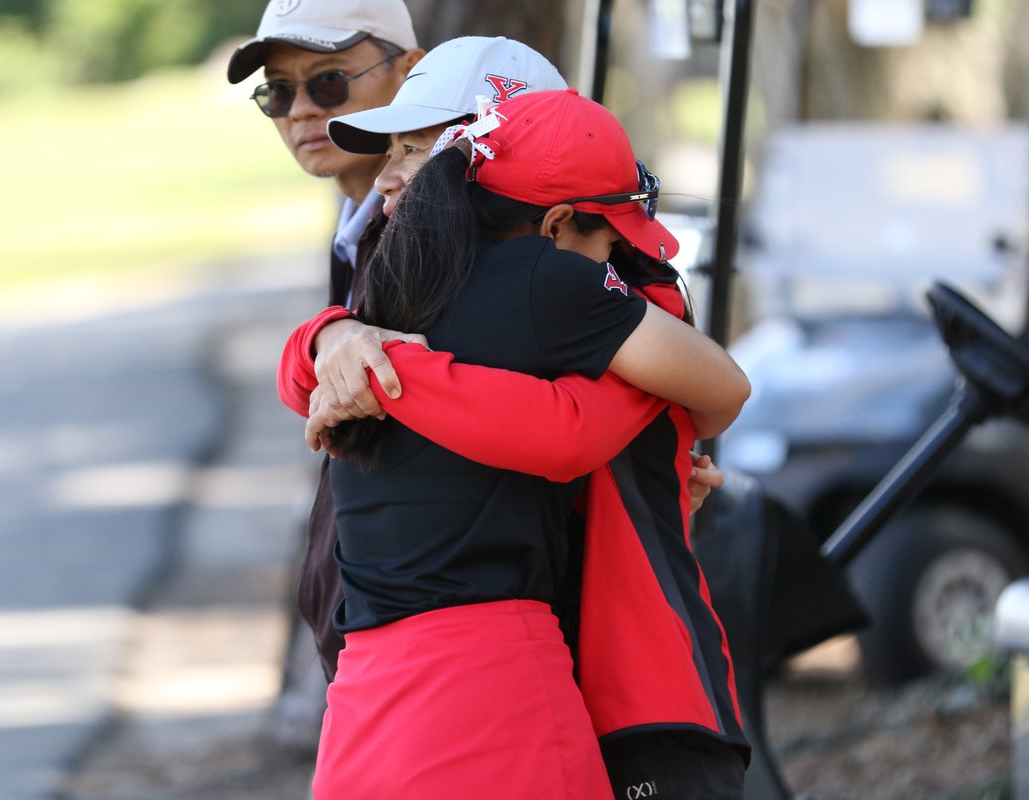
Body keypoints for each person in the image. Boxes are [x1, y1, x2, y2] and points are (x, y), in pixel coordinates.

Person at [283, 88, 750, 798]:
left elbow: (305, 377)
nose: (615, 264)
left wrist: (365, 357)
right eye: (610, 245)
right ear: (559, 223)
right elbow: (720, 388)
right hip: (494, 689)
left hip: (362, 702)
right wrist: (641, 402)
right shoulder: (549, 280)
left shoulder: (388, 295)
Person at [225, 0, 426, 712]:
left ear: (411, 72)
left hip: (424, 653)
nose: (301, 111)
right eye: (278, 92)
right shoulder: (359, 228)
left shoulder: (431, 234)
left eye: (329, 81)